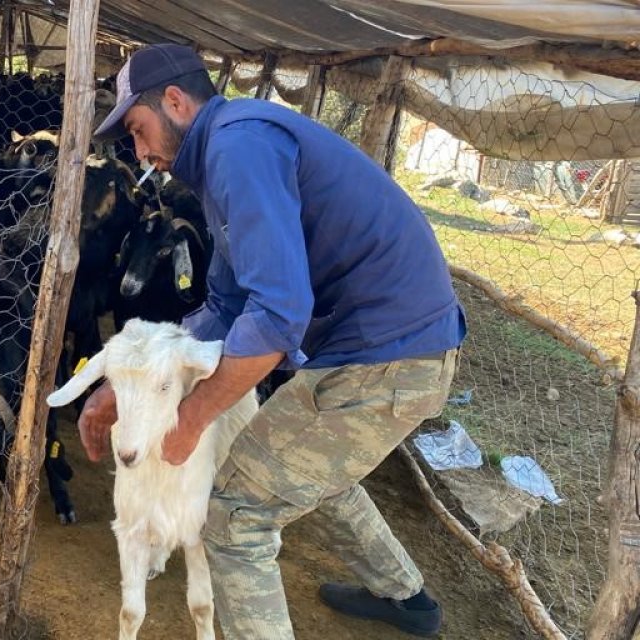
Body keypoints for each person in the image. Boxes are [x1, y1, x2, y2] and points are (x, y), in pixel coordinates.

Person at [85, 44, 466, 639]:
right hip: (370, 345)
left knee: (235, 515)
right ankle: (405, 599)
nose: (140, 154)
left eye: (138, 130)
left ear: (177, 102)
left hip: (390, 356)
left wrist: (190, 419)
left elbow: (279, 316)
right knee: (307, 468)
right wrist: (123, 381)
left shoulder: (240, 146)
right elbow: (227, 305)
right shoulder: (226, 154)